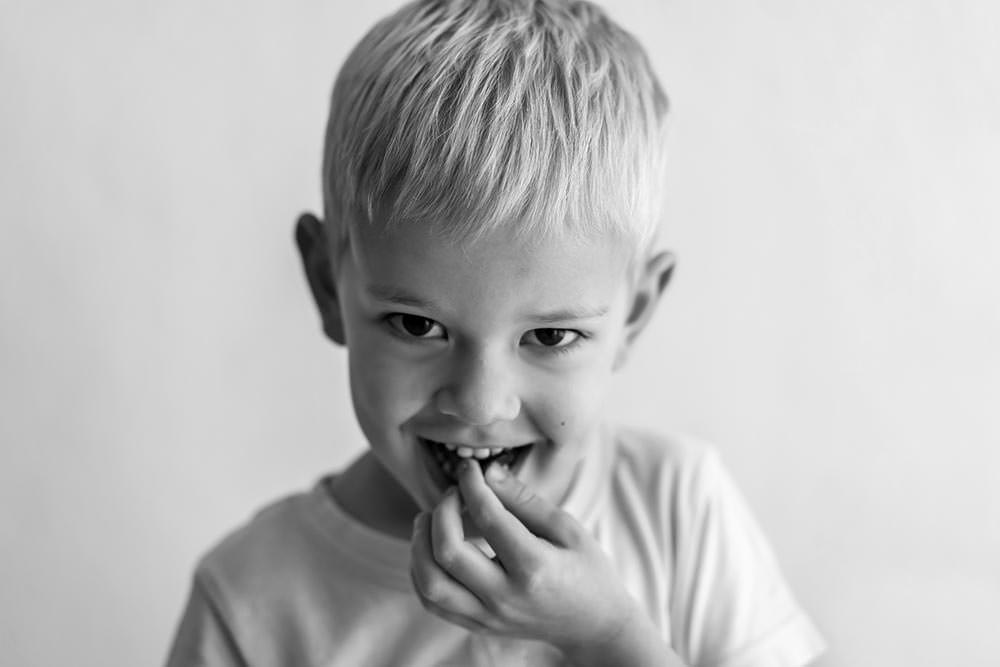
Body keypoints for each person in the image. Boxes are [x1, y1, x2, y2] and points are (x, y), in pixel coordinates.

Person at [166, 1, 827, 665]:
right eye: (418, 325)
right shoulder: (248, 601)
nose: (481, 404)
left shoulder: (680, 510)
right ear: (326, 285)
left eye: (550, 337)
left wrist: (607, 637)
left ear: (634, 314)